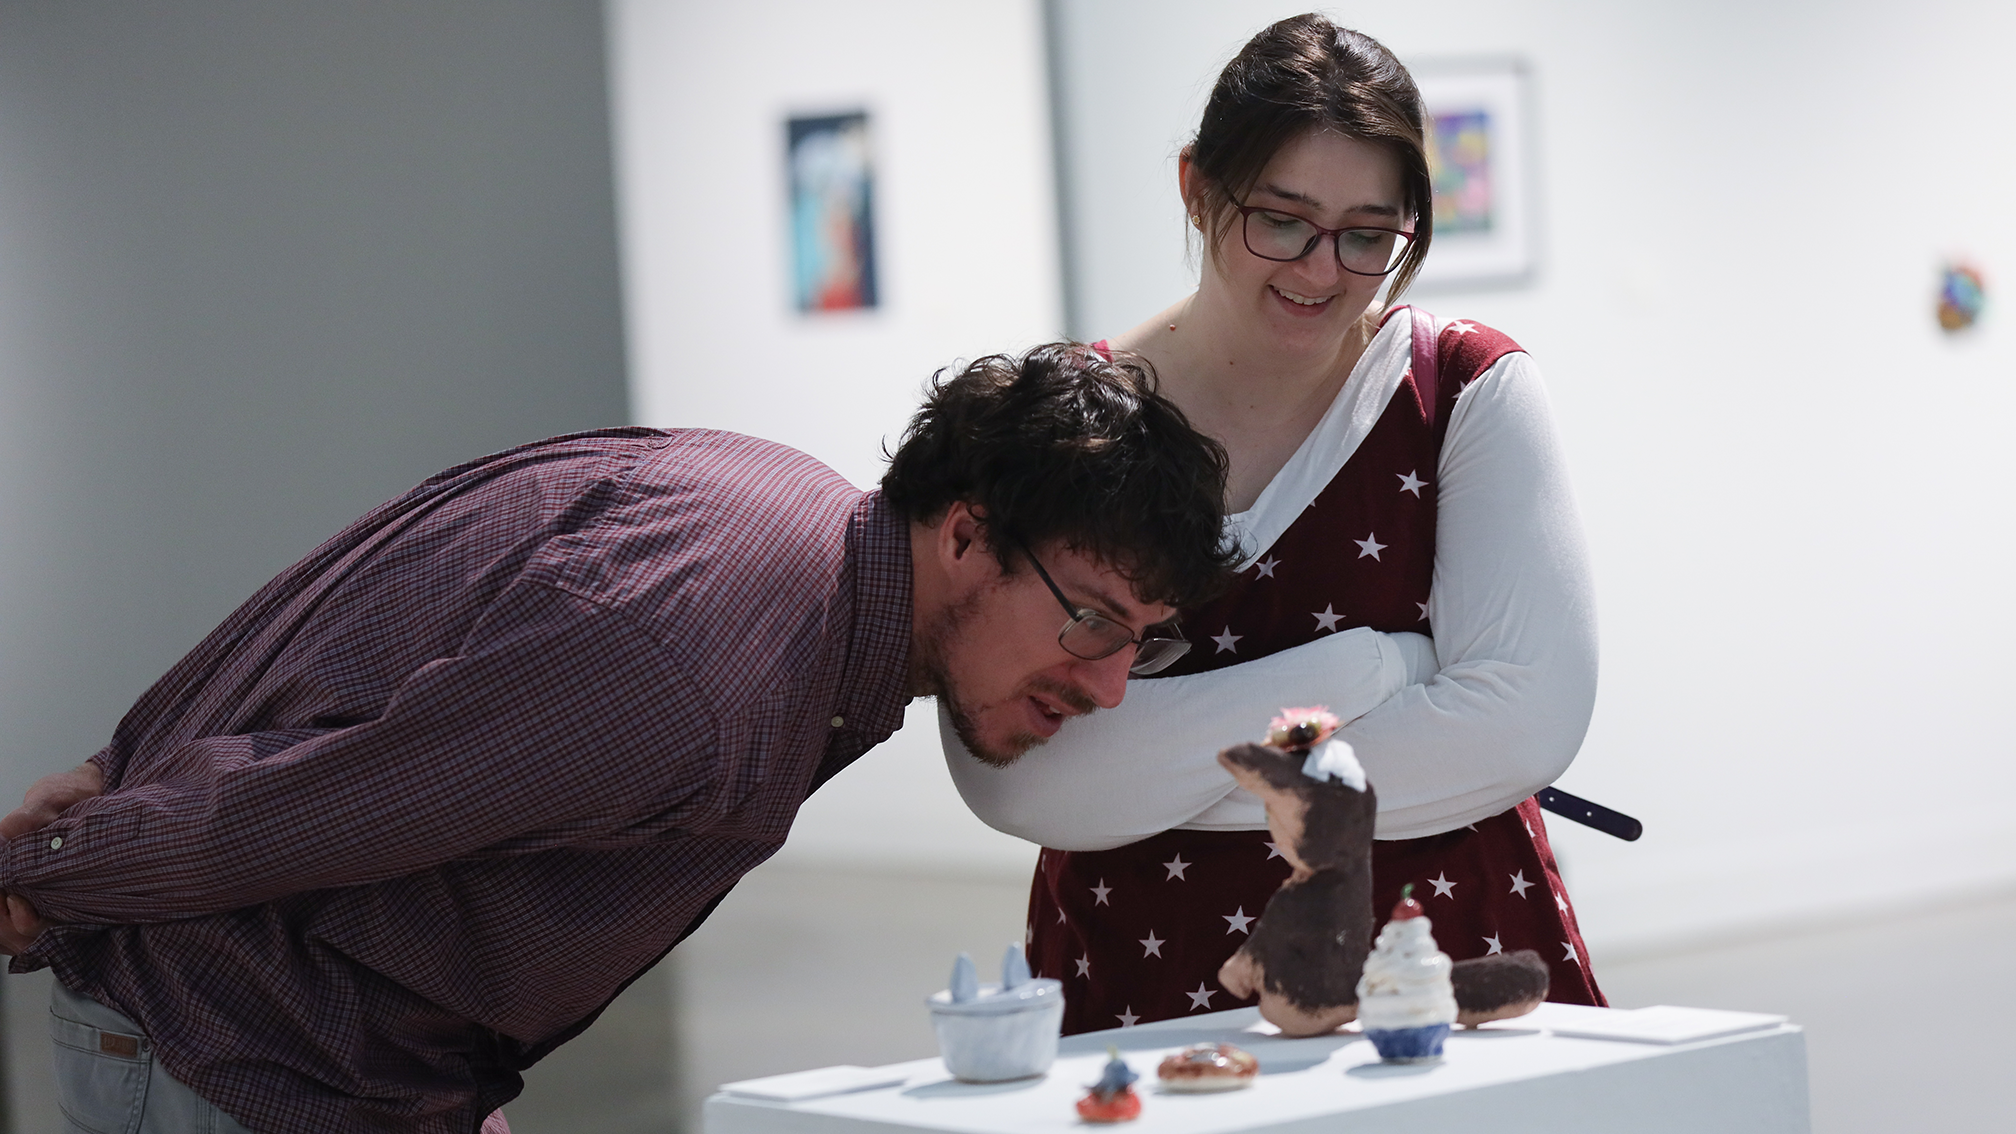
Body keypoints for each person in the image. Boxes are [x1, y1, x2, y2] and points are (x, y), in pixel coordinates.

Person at [0, 344, 1239, 1134]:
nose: (1113, 684)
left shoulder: (777, 522)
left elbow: (370, 597)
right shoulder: (694, 666)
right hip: (248, 1060)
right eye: (1089, 622)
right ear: (967, 534)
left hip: (325, 1064)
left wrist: (120, 768)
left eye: (1145, 640)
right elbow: (319, 801)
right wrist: (43, 877)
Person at [944, 14, 1606, 1034]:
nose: (1321, 269)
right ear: (1197, 189)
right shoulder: (1068, 423)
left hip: (1435, 950)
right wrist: (1379, 673)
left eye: (1369, 235)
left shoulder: (1463, 390)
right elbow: (1029, 779)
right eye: (1283, 219)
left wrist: (1148, 776)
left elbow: (1525, 723)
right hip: (1149, 975)